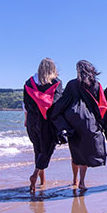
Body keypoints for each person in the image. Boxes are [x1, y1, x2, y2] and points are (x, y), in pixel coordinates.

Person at [50, 60, 107, 190]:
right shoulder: (96, 85)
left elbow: (62, 102)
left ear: (78, 70)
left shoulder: (72, 84)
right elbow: (101, 106)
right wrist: (100, 123)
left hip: (73, 122)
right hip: (89, 123)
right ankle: (82, 181)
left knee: (75, 152)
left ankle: (75, 180)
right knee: (85, 152)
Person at [23, 58, 64, 193]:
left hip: (32, 121)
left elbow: (26, 105)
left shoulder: (29, 83)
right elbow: (58, 104)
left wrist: (26, 120)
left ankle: (43, 180)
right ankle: (35, 174)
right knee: (47, 150)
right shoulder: (56, 83)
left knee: (38, 149)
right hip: (47, 120)